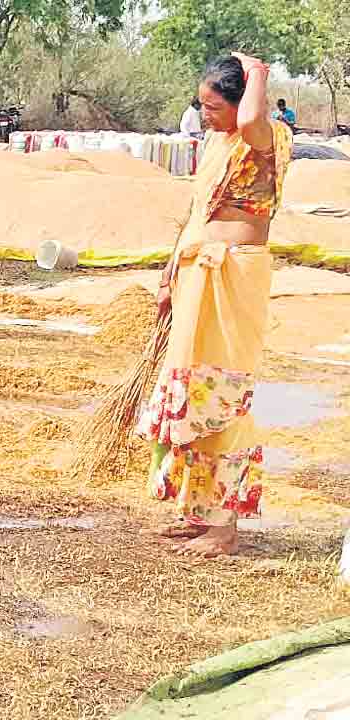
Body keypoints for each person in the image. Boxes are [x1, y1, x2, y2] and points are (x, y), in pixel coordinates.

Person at [137, 52, 293, 558]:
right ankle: (198, 511)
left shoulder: (265, 138)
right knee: (191, 392)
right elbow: (195, 214)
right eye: (201, 105)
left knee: (222, 392)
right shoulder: (215, 143)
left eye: (214, 107)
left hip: (235, 276)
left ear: (242, 101)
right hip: (195, 272)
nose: (205, 115)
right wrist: (168, 278)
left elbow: (248, 119)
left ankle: (224, 526)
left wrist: (258, 71)